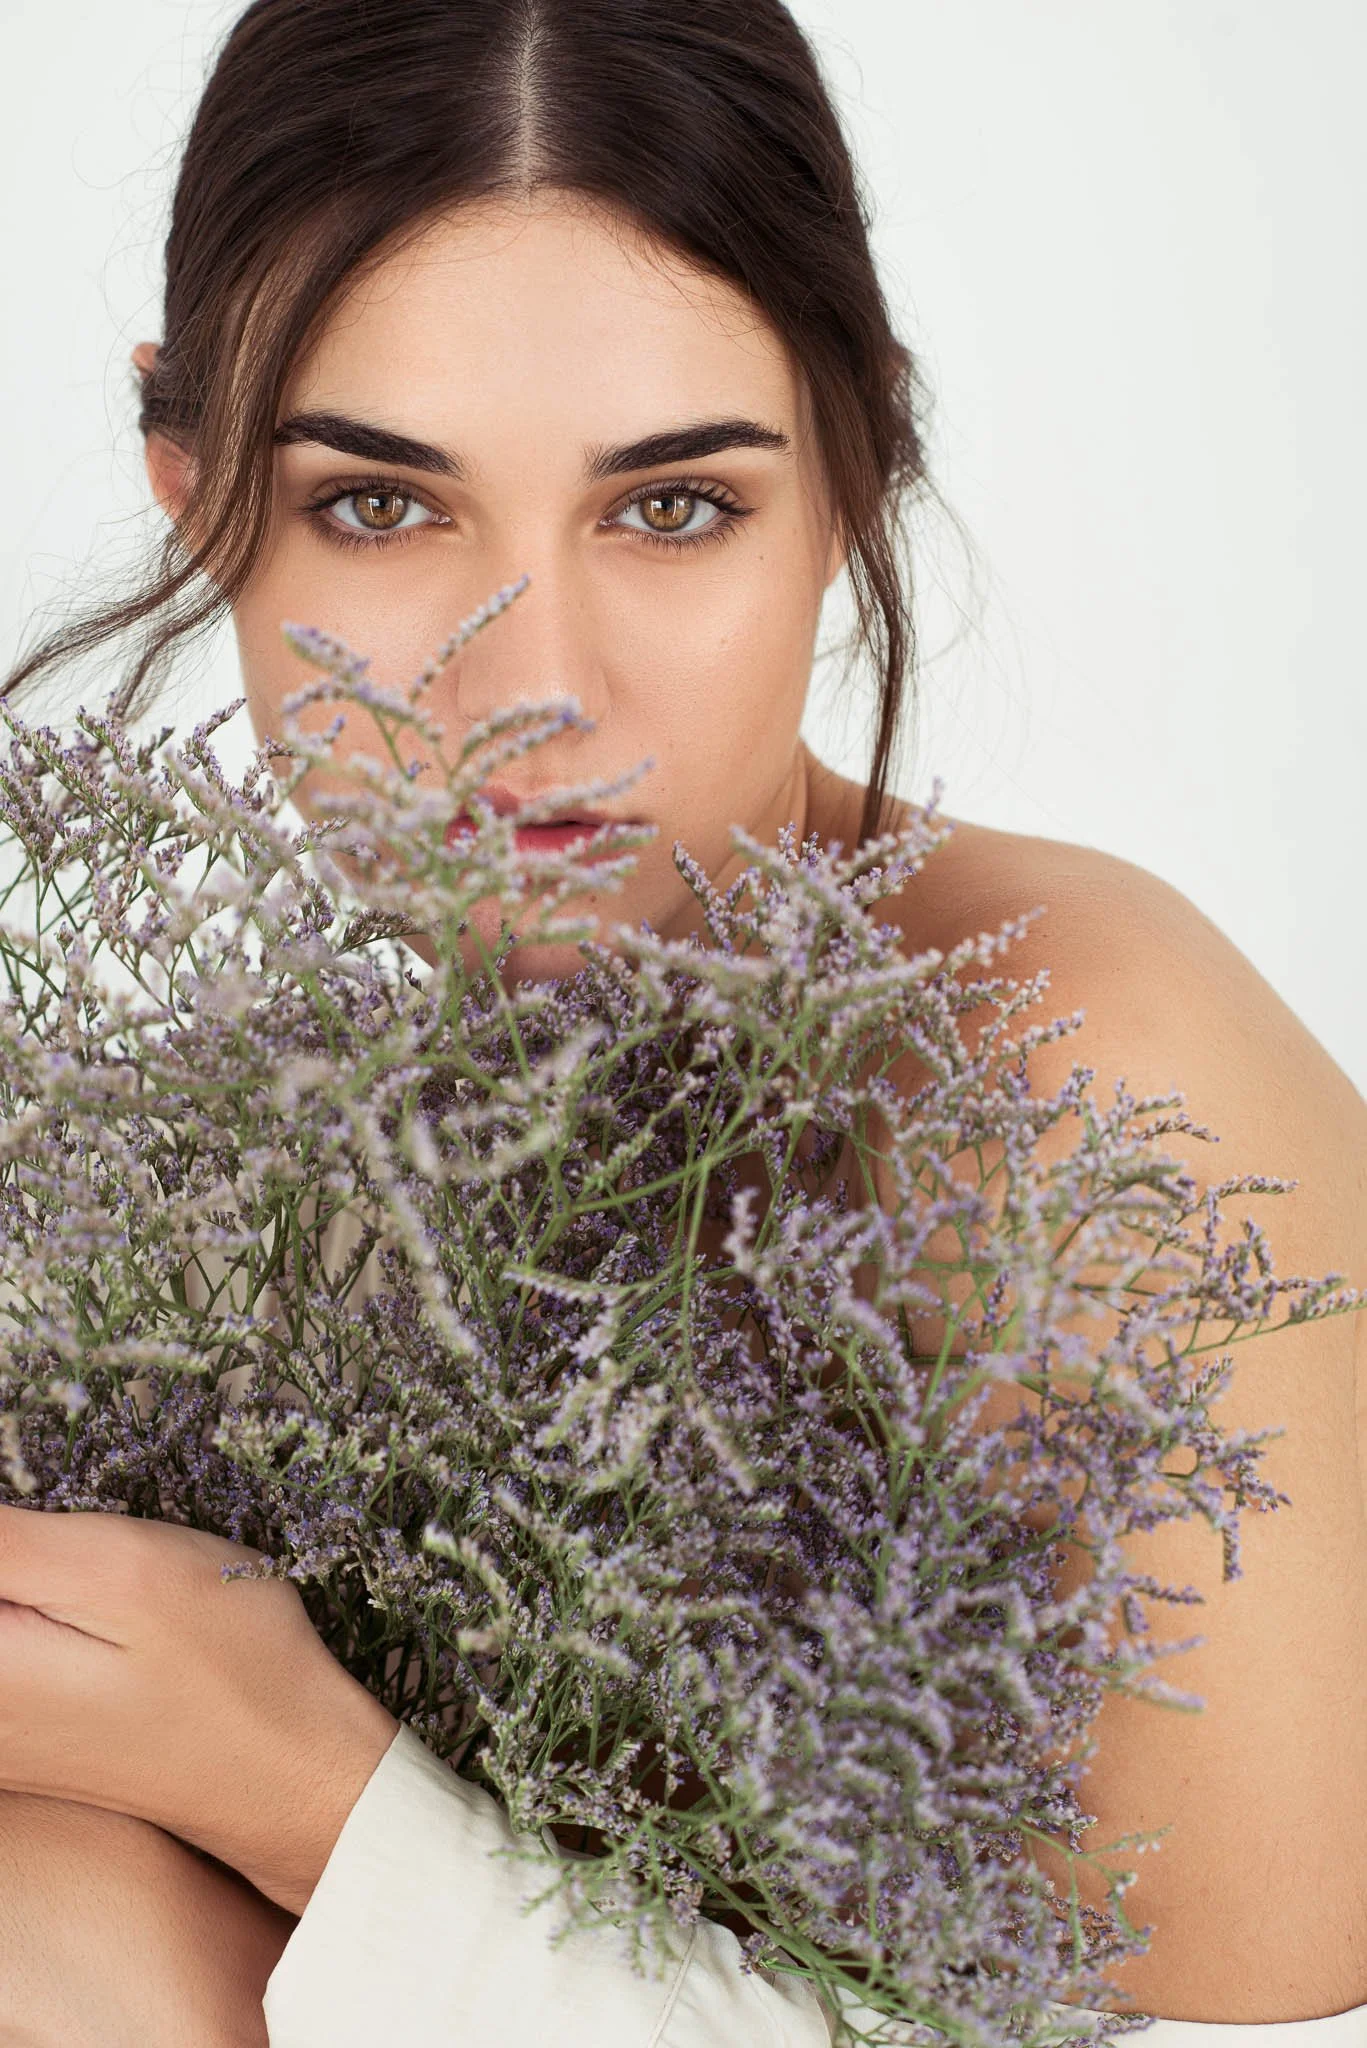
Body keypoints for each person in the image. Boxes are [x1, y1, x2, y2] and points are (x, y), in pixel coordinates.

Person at [2, 2, 1365, 2042]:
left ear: (854, 476)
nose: (533, 683)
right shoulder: (330, 1163)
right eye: (379, 506)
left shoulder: (1070, 1083)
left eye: (671, 508)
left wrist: (301, 1802)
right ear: (194, 494)